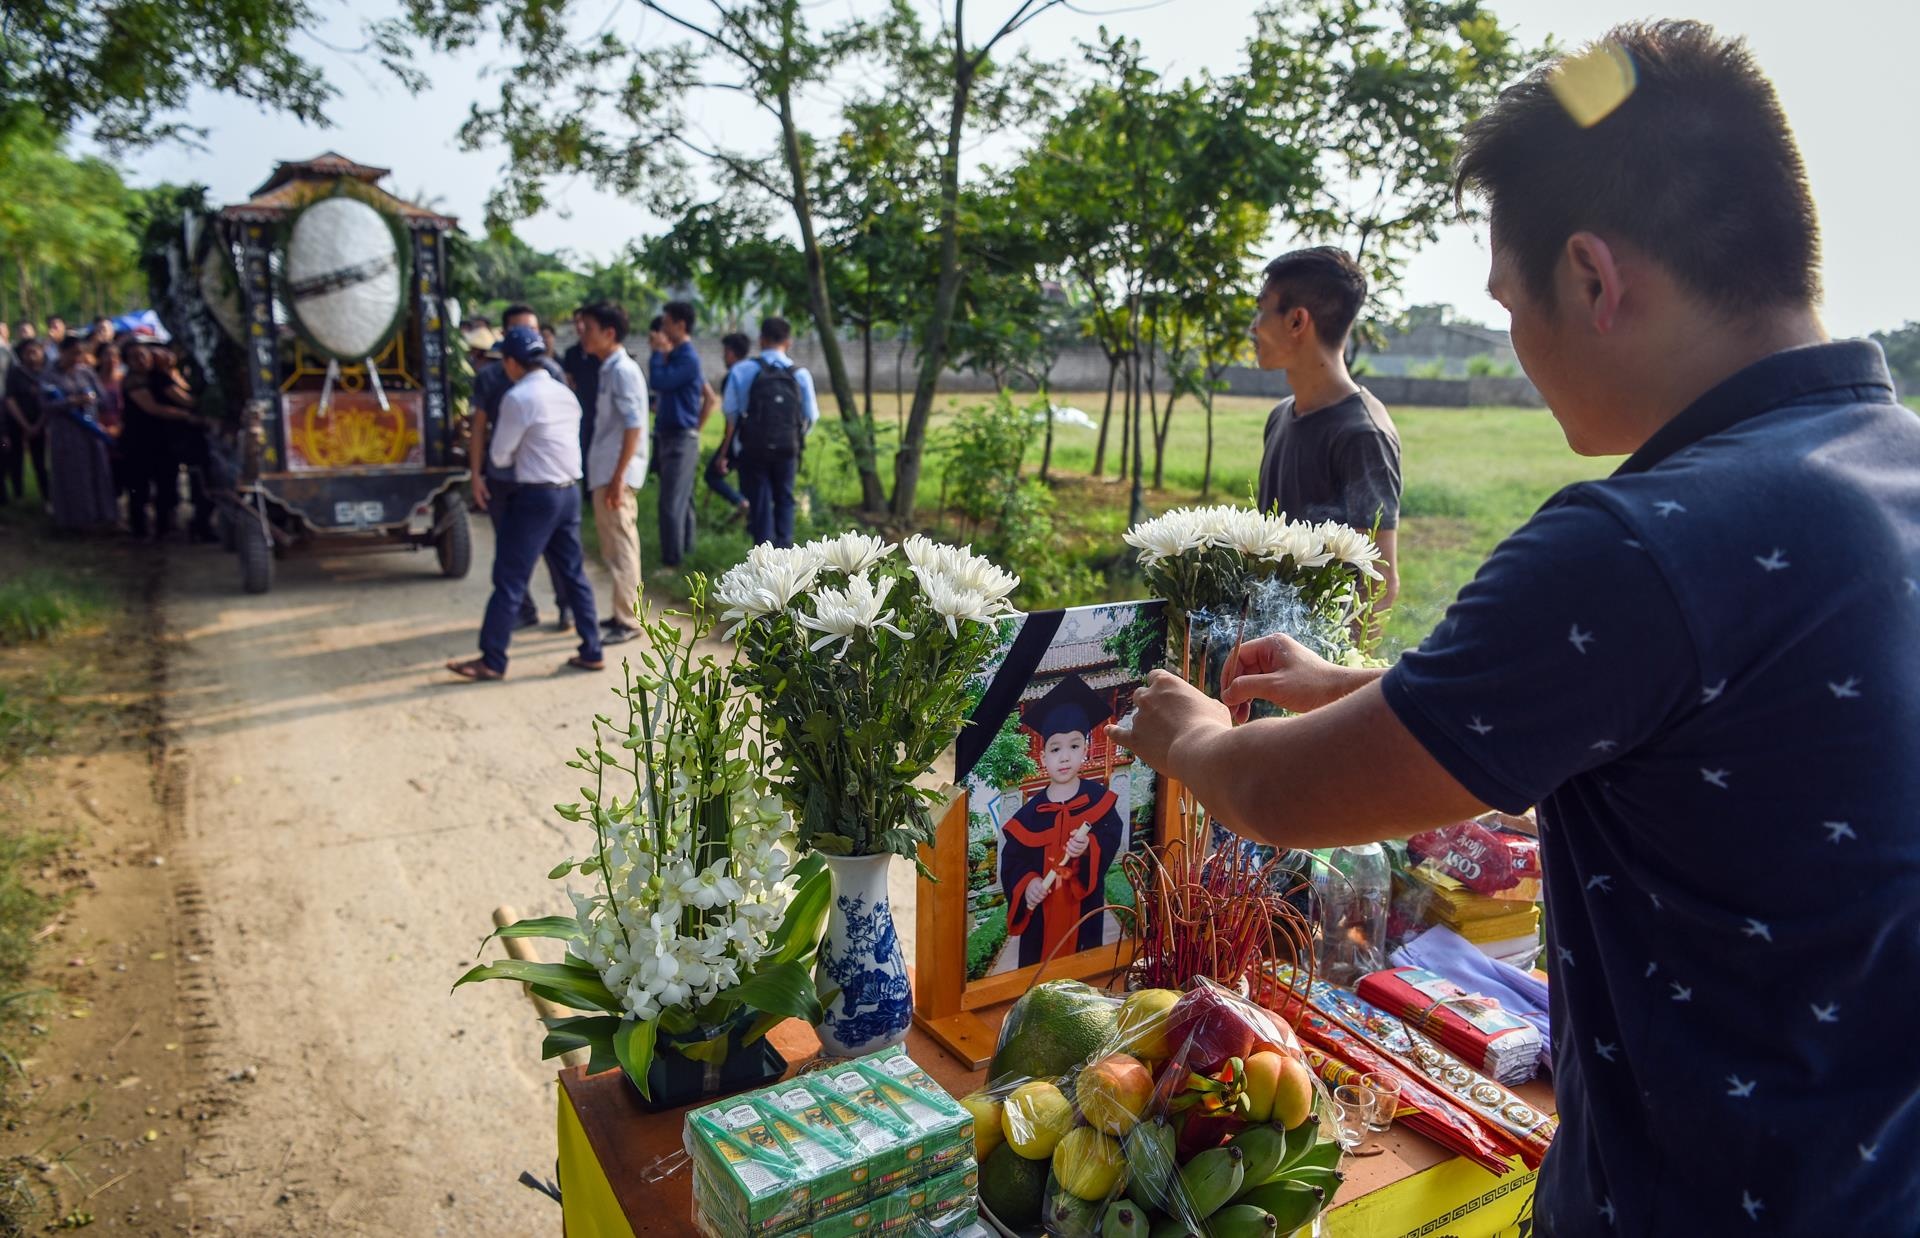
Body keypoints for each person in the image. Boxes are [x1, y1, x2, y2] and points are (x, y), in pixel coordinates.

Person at [1111, 21, 1920, 1234]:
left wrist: (1192, 737)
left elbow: (1283, 797)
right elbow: (1699, 729)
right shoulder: (1883, 471)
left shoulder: (1639, 541)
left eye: (1506, 302)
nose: (1512, 345)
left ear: (1593, 278)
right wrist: (1361, 685)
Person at [448, 326, 603, 681]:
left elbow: (500, 456)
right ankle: (592, 649)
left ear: (512, 363)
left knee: (510, 578)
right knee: (573, 573)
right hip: (569, 492)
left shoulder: (517, 398)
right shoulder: (565, 393)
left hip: (536, 496)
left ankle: (492, 659)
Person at [1252, 246, 1401, 612]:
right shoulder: (1281, 416)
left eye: (1262, 310)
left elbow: (1377, 585)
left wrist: (1333, 668)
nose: (1253, 327)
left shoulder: (1363, 435)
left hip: (1316, 661)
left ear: (1297, 321)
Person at [998, 674, 1125, 970]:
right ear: (1043, 757)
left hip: (1083, 914)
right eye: (1055, 749)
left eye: (1074, 746)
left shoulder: (1100, 802)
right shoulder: (1028, 817)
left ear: (1086, 749)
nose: (1064, 757)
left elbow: (1110, 837)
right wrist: (1028, 885)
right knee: (1037, 978)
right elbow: (1013, 862)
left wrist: (1089, 847)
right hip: (1041, 922)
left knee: (1083, 975)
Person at [471, 304, 571, 631]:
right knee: (510, 555)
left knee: (557, 554)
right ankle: (522, 610)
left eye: (533, 329)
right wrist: (477, 475)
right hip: (503, 480)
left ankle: (565, 606)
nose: (529, 337)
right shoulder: (488, 377)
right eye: (520, 331)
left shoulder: (551, 373)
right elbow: (479, 427)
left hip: (539, 482)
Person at [578, 301, 647, 643]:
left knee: (621, 547)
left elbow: (633, 426)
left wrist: (619, 478)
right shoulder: (609, 368)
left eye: (587, 328)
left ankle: (629, 620)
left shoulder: (621, 371)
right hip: (607, 470)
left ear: (609, 332)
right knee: (613, 548)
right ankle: (622, 613)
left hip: (615, 473)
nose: (581, 334)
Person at [723, 317, 817, 549]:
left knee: (760, 500)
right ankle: (785, 557)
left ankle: (763, 558)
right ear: (789, 342)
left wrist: (741, 440)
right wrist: (795, 436)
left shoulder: (742, 370)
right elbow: (811, 416)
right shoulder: (801, 375)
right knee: (785, 498)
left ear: (761, 340)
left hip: (753, 449)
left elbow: (730, 412)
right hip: (788, 448)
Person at [647, 300, 706, 569]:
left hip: (680, 438)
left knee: (671, 503)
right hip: (674, 436)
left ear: (680, 325)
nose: (663, 327)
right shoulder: (681, 356)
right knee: (684, 501)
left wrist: (658, 353)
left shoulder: (688, 358)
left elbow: (660, 381)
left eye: (667, 322)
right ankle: (686, 554)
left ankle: (672, 562)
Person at [40, 337, 116, 530]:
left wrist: (91, 400)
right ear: (62, 352)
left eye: (80, 353)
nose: (77, 357)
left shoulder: (86, 372)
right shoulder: (49, 376)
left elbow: (102, 398)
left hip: (90, 431)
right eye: (74, 353)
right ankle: (74, 521)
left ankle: (101, 515)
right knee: (73, 476)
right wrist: (71, 402)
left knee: (97, 471)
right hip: (66, 434)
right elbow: (45, 405)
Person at [703, 332, 752, 523]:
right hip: (755, 437)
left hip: (737, 437)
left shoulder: (733, 376)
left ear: (731, 353)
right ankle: (749, 520)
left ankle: (741, 502)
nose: (724, 356)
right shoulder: (753, 371)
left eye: (725, 352)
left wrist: (724, 451)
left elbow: (731, 418)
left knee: (712, 475)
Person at [4, 337, 50, 504]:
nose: (31, 356)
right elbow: (10, 400)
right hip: (17, 423)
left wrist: (39, 424)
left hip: (41, 423)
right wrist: (25, 425)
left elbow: (51, 401)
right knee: (17, 460)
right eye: (27, 352)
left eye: (35, 352)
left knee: (41, 462)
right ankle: (18, 495)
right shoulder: (15, 373)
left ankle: (47, 496)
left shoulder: (48, 373)